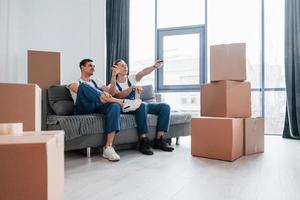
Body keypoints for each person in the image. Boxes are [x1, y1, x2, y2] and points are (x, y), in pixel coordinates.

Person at [68, 59, 142, 161]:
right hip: (83, 107)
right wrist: (102, 95)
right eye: (90, 66)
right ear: (82, 67)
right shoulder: (74, 80)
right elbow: (77, 89)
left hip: (98, 105)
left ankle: (108, 147)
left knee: (114, 106)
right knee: (84, 87)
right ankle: (122, 102)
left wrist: (113, 76)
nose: (93, 68)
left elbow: (111, 92)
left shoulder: (97, 81)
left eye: (94, 66)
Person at [109, 59, 174, 155]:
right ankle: (143, 140)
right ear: (115, 68)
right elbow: (117, 95)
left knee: (165, 107)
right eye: (122, 65)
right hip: (127, 107)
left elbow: (143, 72)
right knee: (142, 105)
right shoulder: (112, 84)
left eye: (126, 65)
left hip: (139, 104)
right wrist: (131, 88)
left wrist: (154, 66)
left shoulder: (131, 78)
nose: (125, 67)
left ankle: (159, 140)